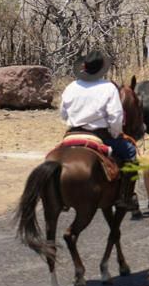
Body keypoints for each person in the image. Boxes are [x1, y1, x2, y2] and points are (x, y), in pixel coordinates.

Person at [59, 51, 138, 210]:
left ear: (83, 68)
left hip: (72, 133)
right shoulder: (108, 88)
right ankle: (125, 197)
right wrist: (116, 133)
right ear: (102, 69)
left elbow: (63, 113)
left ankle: (59, 196)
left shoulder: (71, 86)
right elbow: (116, 116)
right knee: (131, 153)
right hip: (100, 135)